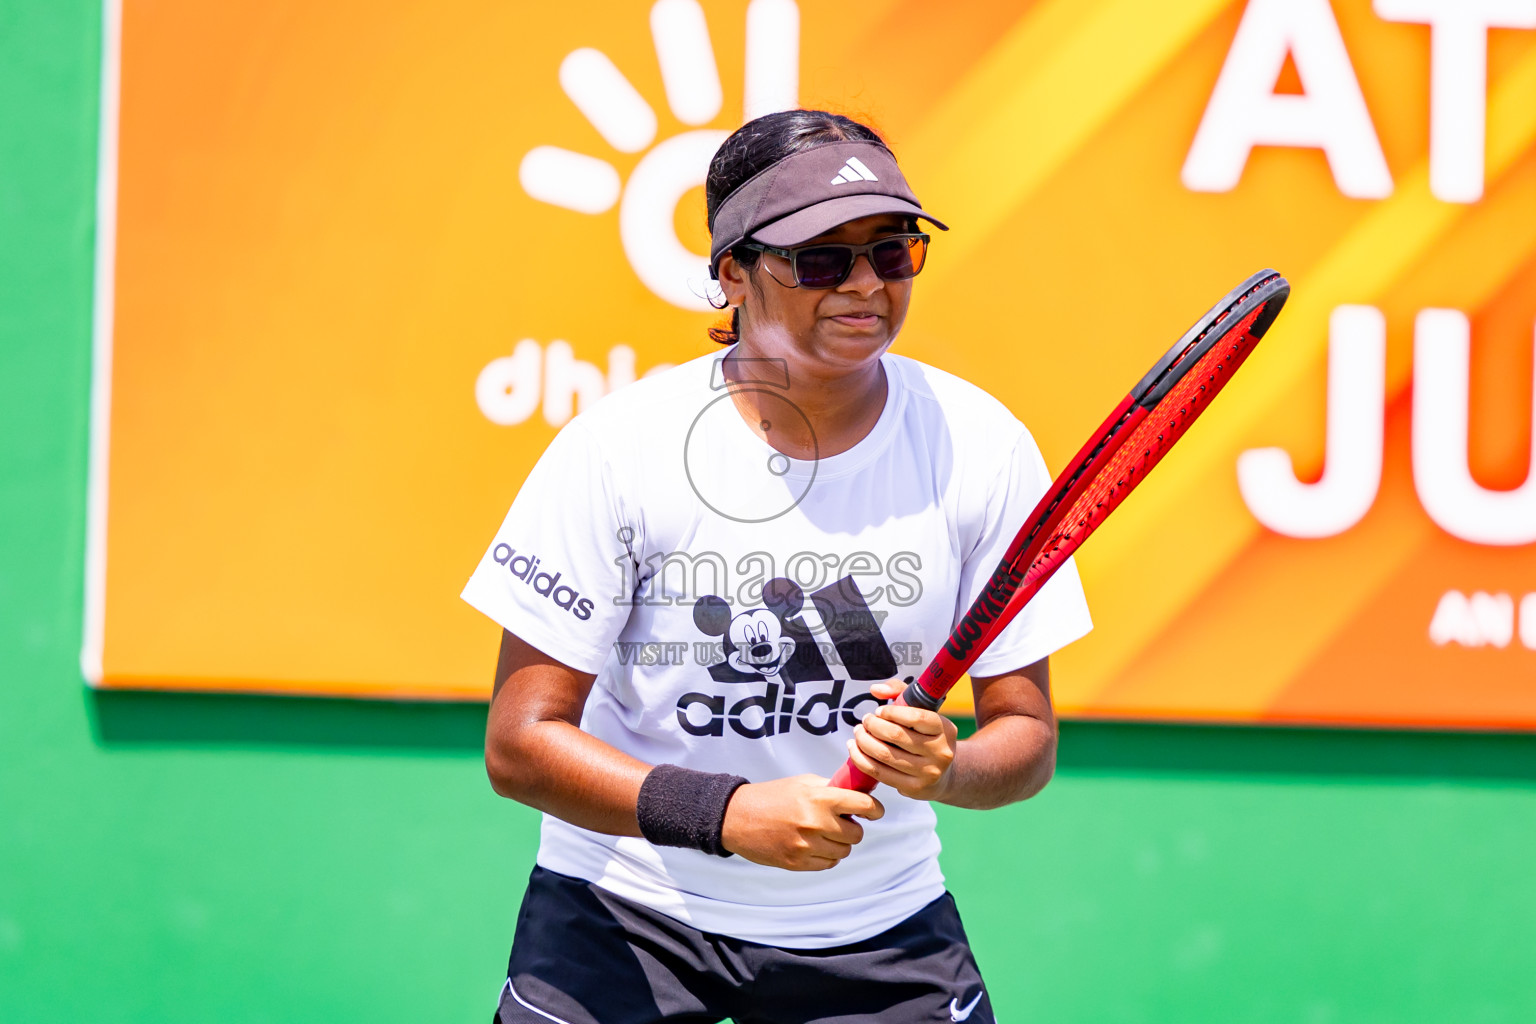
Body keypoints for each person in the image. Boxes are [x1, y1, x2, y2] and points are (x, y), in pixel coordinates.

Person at [463, 109, 1092, 1024]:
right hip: (624, 914)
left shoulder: (982, 446)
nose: (865, 286)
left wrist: (944, 769)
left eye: (892, 250)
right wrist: (725, 815)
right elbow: (518, 745)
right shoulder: (618, 448)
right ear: (732, 274)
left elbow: (1024, 736)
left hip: (878, 925)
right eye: (821, 260)